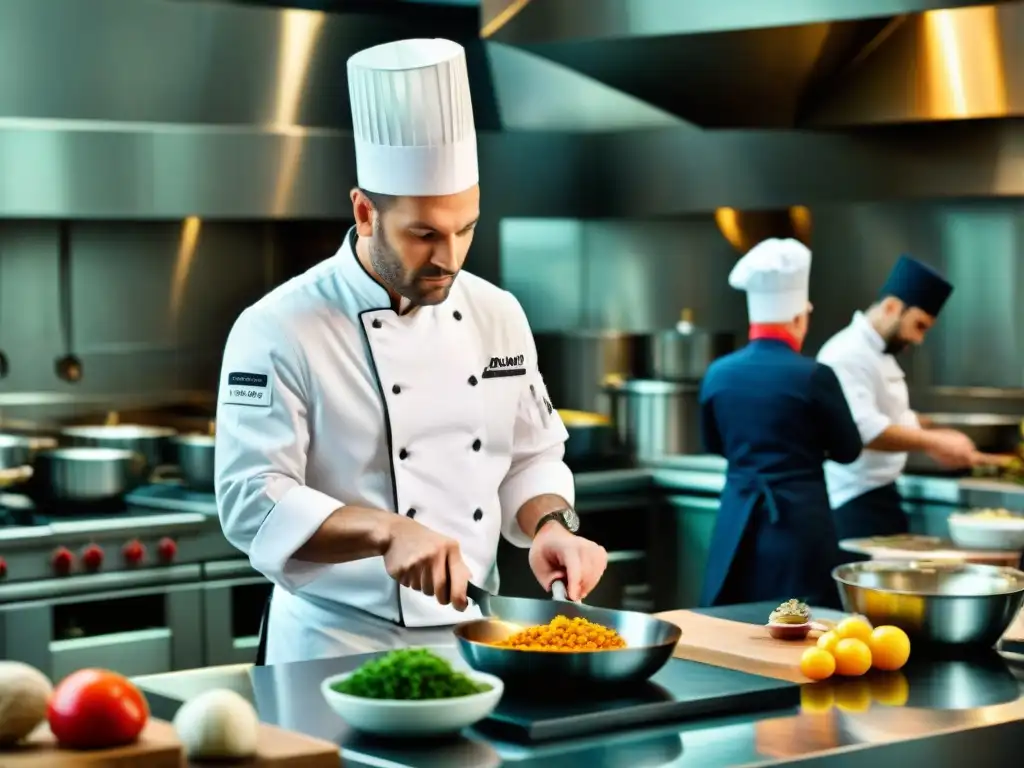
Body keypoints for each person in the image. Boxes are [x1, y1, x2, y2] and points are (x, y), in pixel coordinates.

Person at [214, 38, 608, 665]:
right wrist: (386, 530)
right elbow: (250, 498)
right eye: (424, 234)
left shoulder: (497, 313)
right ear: (366, 213)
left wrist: (552, 526)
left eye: (466, 229)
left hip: (472, 640)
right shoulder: (278, 327)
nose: (449, 258)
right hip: (331, 646)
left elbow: (531, 456)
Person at [698, 238, 862, 609]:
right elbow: (848, 450)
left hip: (735, 523)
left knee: (729, 625)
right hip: (798, 529)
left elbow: (713, 444)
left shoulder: (718, 374)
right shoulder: (815, 376)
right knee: (799, 631)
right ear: (799, 318)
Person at [818, 254, 980, 540]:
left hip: (882, 496)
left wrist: (933, 430)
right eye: (919, 326)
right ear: (892, 307)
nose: (919, 339)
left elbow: (893, 415)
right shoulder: (846, 353)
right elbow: (863, 431)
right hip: (854, 503)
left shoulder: (880, 352)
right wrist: (935, 441)